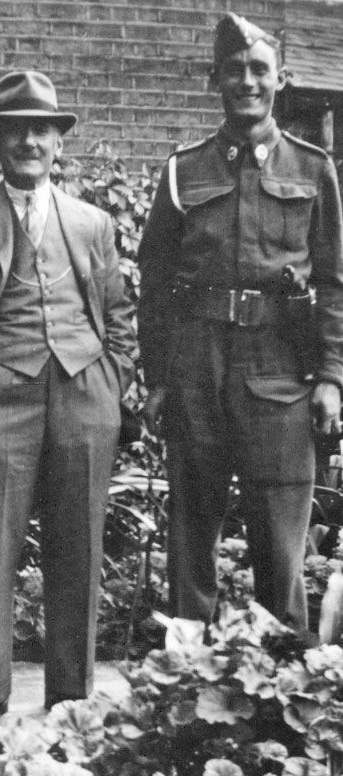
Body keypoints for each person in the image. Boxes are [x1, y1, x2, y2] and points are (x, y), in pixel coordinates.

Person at [0, 70, 136, 728]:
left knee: (78, 549)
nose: (29, 141)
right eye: (16, 130)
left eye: (41, 129)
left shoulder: (91, 223)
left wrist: (114, 381)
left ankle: (70, 696)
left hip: (81, 392)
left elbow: (117, 314)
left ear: (57, 142)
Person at [138, 13, 343, 633]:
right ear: (214, 80)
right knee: (191, 536)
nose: (247, 82)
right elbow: (153, 282)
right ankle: (186, 679)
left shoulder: (314, 170)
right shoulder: (184, 170)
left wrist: (332, 376)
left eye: (259, 70)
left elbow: (335, 281)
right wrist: (159, 377)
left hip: (281, 371)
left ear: (280, 80)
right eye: (234, 71)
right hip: (198, 368)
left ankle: (279, 689)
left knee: (280, 543)